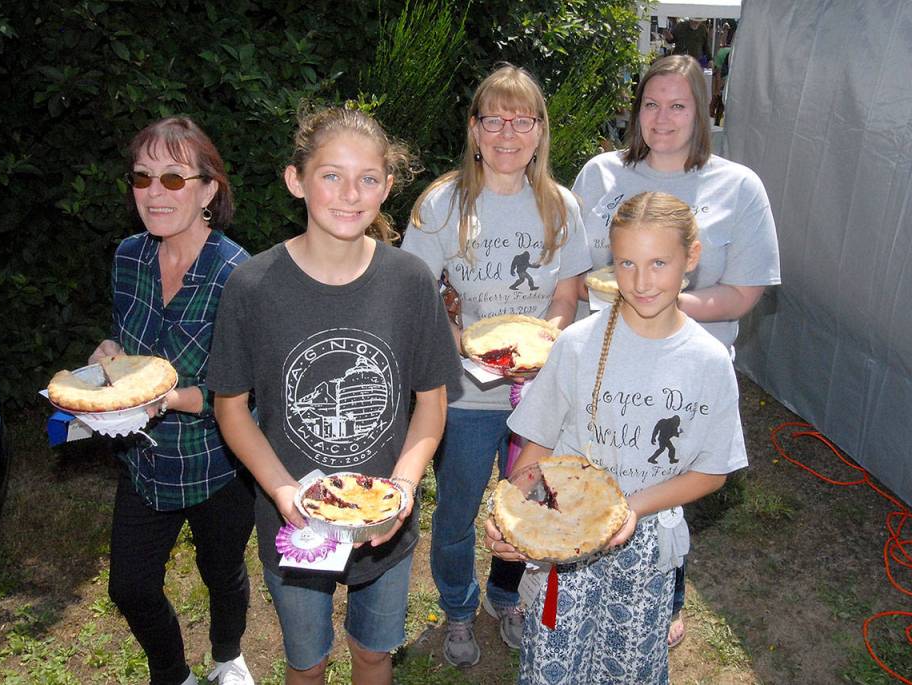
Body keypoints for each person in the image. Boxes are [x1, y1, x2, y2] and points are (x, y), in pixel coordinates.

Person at [208, 107, 462, 685]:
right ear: (296, 180)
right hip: (293, 520)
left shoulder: (409, 281)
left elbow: (431, 401)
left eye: (368, 178)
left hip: (384, 526)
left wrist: (402, 486)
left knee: (373, 654)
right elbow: (231, 408)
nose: (351, 193)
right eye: (331, 175)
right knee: (308, 661)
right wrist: (281, 490)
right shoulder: (252, 286)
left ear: (388, 187)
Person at [486, 191, 749, 683]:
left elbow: (713, 470)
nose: (642, 281)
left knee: (627, 666)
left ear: (691, 259)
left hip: (645, 545)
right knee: (554, 663)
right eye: (627, 262)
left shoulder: (708, 362)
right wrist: (513, 513)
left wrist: (633, 508)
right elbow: (537, 442)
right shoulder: (579, 343)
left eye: (658, 263)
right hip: (565, 542)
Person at [571, 53, 781, 651]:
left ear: (703, 110)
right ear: (636, 110)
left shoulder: (737, 186)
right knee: (596, 470)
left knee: (666, 486)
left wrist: (666, 305)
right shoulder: (600, 174)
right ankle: (574, 583)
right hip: (605, 361)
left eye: (678, 104)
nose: (662, 118)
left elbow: (744, 291)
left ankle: (665, 595)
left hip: (686, 371)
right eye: (650, 104)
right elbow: (577, 269)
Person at [402, 64, 591, 666]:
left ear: (539, 131)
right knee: (457, 512)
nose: (507, 133)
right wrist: (459, 340)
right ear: (475, 129)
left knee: (529, 505)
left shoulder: (559, 205)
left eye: (522, 120)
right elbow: (417, 291)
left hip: (539, 396)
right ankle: (458, 608)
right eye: (494, 119)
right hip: (465, 396)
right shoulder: (441, 204)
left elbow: (568, 291)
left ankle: (504, 596)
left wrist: (546, 340)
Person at [91, 116, 256, 685]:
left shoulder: (238, 273)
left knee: (222, 568)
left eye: (174, 179)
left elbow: (240, 388)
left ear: (209, 189)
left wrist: (167, 399)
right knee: (130, 586)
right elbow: (130, 345)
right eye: (142, 179)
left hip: (218, 463)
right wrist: (110, 354)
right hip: (145, 459)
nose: (155, 193)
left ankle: (228, 656)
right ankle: (172, 673)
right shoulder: (129, 256)